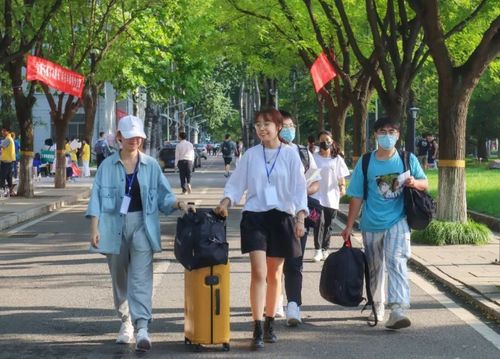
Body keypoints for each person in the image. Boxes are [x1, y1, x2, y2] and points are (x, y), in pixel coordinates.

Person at [86, 115, 192, 352]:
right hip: (112, 226)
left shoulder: (151, 165)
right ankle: (126, 322)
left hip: (143, 224)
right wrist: (94, 227)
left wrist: (179, 205)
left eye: (139, 137)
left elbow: (165, 195)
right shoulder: (106, 166)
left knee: (141, 276)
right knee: (119, 277)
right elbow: (96, 199)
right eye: (130, 137)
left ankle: (142, 326)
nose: (135, 141)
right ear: (120, 138)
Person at [214, 108, 308, 350]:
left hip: (281, 218)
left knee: (274, 274)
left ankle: (269, 323)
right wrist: (226, 201)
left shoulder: (290, 155)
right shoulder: (251, 155)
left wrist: (300, 218)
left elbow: (299, 190)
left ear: (278, 127)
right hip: (254, 217)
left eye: (267, 124)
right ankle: (256, 326)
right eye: (258, 125)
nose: (262, 128)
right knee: (258, 272)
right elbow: (236, 184)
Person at [341, 116, 428, 330]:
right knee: (374, 267)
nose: (387, 136)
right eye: (382, 131)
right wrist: (349, 225)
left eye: (392, 131)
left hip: (399, 220)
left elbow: (424, 183)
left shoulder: (407, 159)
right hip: (371, 222)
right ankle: (377, 304)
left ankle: (398, 309)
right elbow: (356, 196)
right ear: (375, 135)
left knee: (396, 261)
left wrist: (414, 182)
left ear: (398, 135)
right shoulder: (366, 161)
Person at [279, 110, 321, 326]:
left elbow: (316, 181)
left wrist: (303, 194)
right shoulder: (265, 154)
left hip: (299, 216)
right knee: (273, 264)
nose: (289, 129)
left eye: (291, 125)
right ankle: (275, 300)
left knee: (294, 262)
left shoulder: (303, 152)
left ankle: (294, 305)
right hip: (273, 217)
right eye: (284, 125)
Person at [311, 130, 350, 262]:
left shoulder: (337, 159)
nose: (325, 143)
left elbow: (341, 177)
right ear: (318, 142)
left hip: (332, 197)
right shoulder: (314, 158)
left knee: (328, 224)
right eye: (322, 140)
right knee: (317, 222)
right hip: (316, 197)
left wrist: (342, 187)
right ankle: (317, 250)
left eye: (327, 140)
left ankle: (325, 249)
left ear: (332, 142)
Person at [0, 127, 16, 196]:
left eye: (3, 131)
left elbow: (1, 147)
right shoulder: (11, 139)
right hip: (10, 160)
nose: (2, 133)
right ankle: (11, 191)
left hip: (5, 161)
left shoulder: (7, 139)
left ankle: (2, 190)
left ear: (7, 131)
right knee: (9, 177)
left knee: (2, 176)